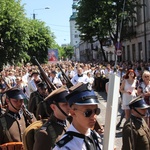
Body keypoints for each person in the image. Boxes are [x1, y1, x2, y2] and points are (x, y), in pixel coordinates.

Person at [53, 83, 102, 150]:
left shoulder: (94, 135)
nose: (94, 116)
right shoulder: (66, 147)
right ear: (73, 113)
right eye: (88, 112)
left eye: (96, 111)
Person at [33, 86, 70, 150]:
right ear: (53, 107)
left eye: (69, 103)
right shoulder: (45, 133)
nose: (69, 107)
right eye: (65, 104)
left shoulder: (69, 122)